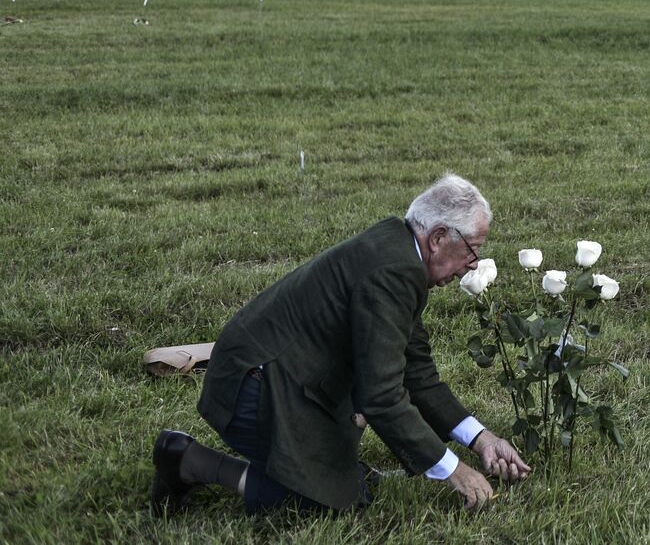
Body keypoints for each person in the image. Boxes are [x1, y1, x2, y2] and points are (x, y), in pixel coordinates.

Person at [149, 174, 531, 516]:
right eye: (472, 249)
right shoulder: (394, 271)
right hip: (252, 386)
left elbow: (417, 372)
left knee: (347, 484)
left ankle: (322, 469)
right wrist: (452, 469)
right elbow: (381, 396)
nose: (473, 264)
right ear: (437, 238)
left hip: (279, 372)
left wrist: (481, 439)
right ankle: (186, 460)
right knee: (327, 502)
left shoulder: (400, 252)